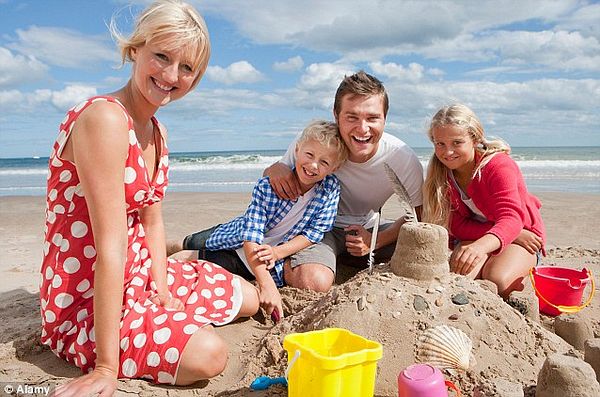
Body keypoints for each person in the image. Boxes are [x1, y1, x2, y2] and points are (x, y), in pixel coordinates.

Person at [39, 1, 259, 395]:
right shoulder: (104, 119)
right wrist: (105, 368)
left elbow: (151, 220)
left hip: (138, 278)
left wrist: (163, 290)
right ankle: (134, 340)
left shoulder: (157, 131)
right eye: (162, 56)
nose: (172, 75)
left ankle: (163, 313)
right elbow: (110, 245)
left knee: (249, 298)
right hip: (89, 298)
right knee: (209, 355)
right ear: (135, 49)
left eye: (187, 68)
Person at [263, 71, 424, 292]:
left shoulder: (402, 157)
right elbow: (277, 175)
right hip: (315, 231)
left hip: (368, 227)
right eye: (352, 117)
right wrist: (276, 168)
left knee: (425, 253)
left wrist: (377, 240)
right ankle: (302, 262)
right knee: (313, 283)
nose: (363, 128)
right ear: (336, 115)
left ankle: (343, 259)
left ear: (385, 118)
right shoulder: (316, 142)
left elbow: (417, 213)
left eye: (372, 118)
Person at [171, 120, 347, 320]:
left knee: (196, 260)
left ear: (335, 167)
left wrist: (278, 253)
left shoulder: (330, 189)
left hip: (265, 258)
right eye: (309, 154)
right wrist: (267, 285)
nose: (314, 165)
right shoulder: (268, 186)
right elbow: (251, 236)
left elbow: (314, 233)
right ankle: (160, 251)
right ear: (297, 150)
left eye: (324, 162)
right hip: (235, 241)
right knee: (185, 247)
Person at [422, 103, 545, 297]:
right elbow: (457, 225)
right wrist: (504, 236)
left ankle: (525, 271)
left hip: (524, 238)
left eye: (457, 142)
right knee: (458, 281)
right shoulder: (441, 174)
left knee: (496, 280)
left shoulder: (498, 166)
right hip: (483, 237)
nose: (448, 152)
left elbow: (511, 219)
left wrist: (485, 245)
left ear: (475, 138)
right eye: (440, 144)